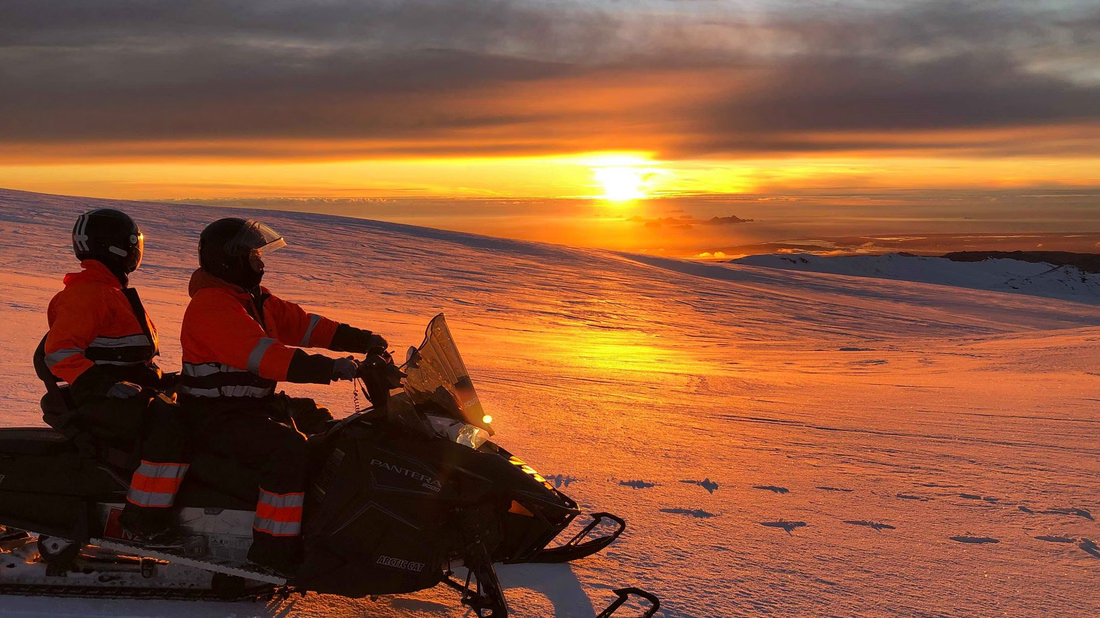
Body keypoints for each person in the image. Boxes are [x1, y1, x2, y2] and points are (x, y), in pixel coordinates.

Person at [179, 217, 387, 574]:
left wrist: (362, 339)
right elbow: (266, 356)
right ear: (230, 259)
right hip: (213, 415)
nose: (260, 263)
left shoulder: (251, 299)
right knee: (288, 449)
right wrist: (331, 369)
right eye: (253, 255)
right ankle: (273, 552)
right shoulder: (212, 306)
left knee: (328, 427)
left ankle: (322, 523)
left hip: (247, 407)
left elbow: (303, 324)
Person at [43, 209, 189, 539]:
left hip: (125, 391)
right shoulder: (88, 294)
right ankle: (144, 519)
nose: (138, 248)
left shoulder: (111, 291)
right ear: (115, 247)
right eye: (133, 242)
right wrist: (106, 385)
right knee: (172, 427)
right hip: (99, 398)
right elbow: (60, 353)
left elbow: (127, 355)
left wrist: (168, 379)